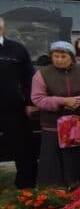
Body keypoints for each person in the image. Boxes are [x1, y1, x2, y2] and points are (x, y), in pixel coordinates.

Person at [31, 41, 80, 187]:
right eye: (56, 56)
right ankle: (57, 188)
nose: (59, 59)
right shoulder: (42, 74)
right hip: (54, 124)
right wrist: (62, 101)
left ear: (71, 57)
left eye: (63, 56)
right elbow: (38, 98)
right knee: (55, 160)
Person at [0, 16, 38, 187]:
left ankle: (26, 184)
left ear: (2, 28)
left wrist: (30, 102)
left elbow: (29, 77)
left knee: (22, 146)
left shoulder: (16, 49)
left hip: (13, 107)